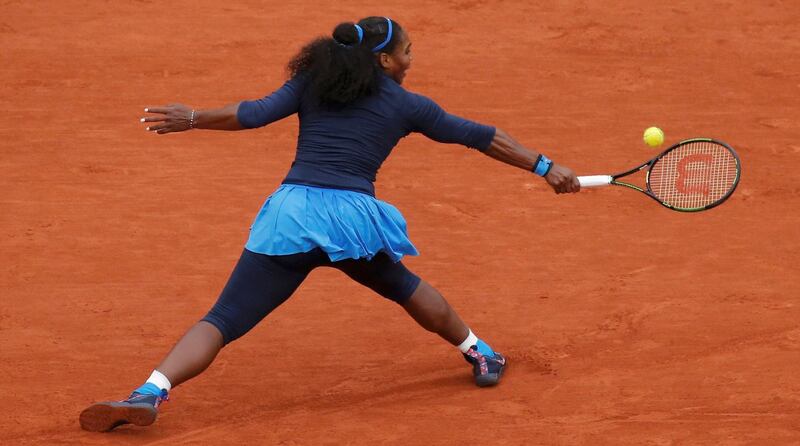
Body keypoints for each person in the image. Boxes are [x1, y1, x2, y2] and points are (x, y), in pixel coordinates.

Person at [79, 16, 580, 433]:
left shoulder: (311, 84)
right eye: (407, 52)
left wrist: (194, 117)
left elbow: (250, 114)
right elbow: (480, 136)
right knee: (403, 285)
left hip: (291, 218)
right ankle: (482, 354)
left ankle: (148, 393)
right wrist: (544, 166)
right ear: (384, 60)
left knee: (225, 318)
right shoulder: (408, 104)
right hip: (351, 226)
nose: (411, 60)